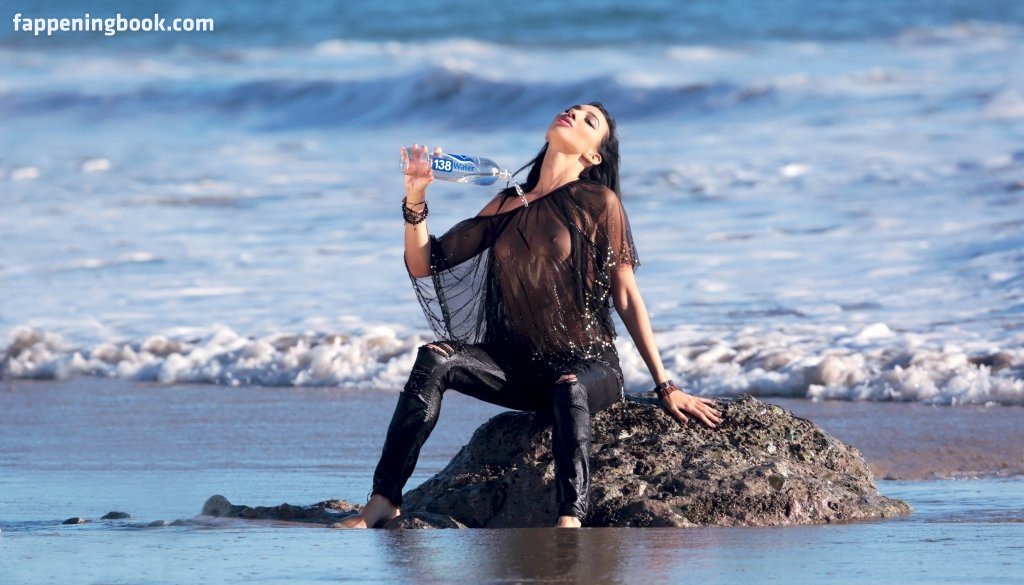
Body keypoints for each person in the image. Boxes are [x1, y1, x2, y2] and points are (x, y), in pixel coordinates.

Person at [339, 102, 722, 529]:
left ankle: (570, 518)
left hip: (589, 367)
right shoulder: (508, 202)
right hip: (519, 370)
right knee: (435, 358)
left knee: (570, 387)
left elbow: (627, 296)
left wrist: (665, 385)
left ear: (593, 156)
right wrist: (416, 197)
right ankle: (384, 500)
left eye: (588, 120)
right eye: (572, 109)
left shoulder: (599, 202)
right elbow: (424, 263)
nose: (573, 114)